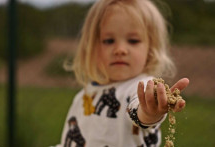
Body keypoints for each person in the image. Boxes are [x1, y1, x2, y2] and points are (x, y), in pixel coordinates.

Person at [55, 0, 189, 146]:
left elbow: (138, 109)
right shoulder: (83, 96)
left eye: (133, 40)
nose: (120, 49)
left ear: (150, 50)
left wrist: (150, 112)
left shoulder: (142, 86)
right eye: (108, 40)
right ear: (92, 47)